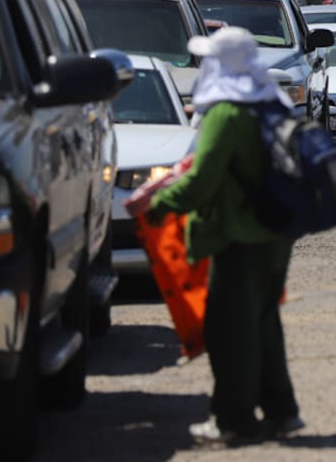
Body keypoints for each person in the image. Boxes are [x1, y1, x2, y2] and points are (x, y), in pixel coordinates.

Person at [125, 27, 303, 447]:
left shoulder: (226, 113)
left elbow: (202, 180)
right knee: (263, 324)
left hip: (238, 237)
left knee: (229, 332)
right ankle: (282, 412)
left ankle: (234, 420)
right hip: (275, 233)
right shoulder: (271, 102)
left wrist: (156, 206)